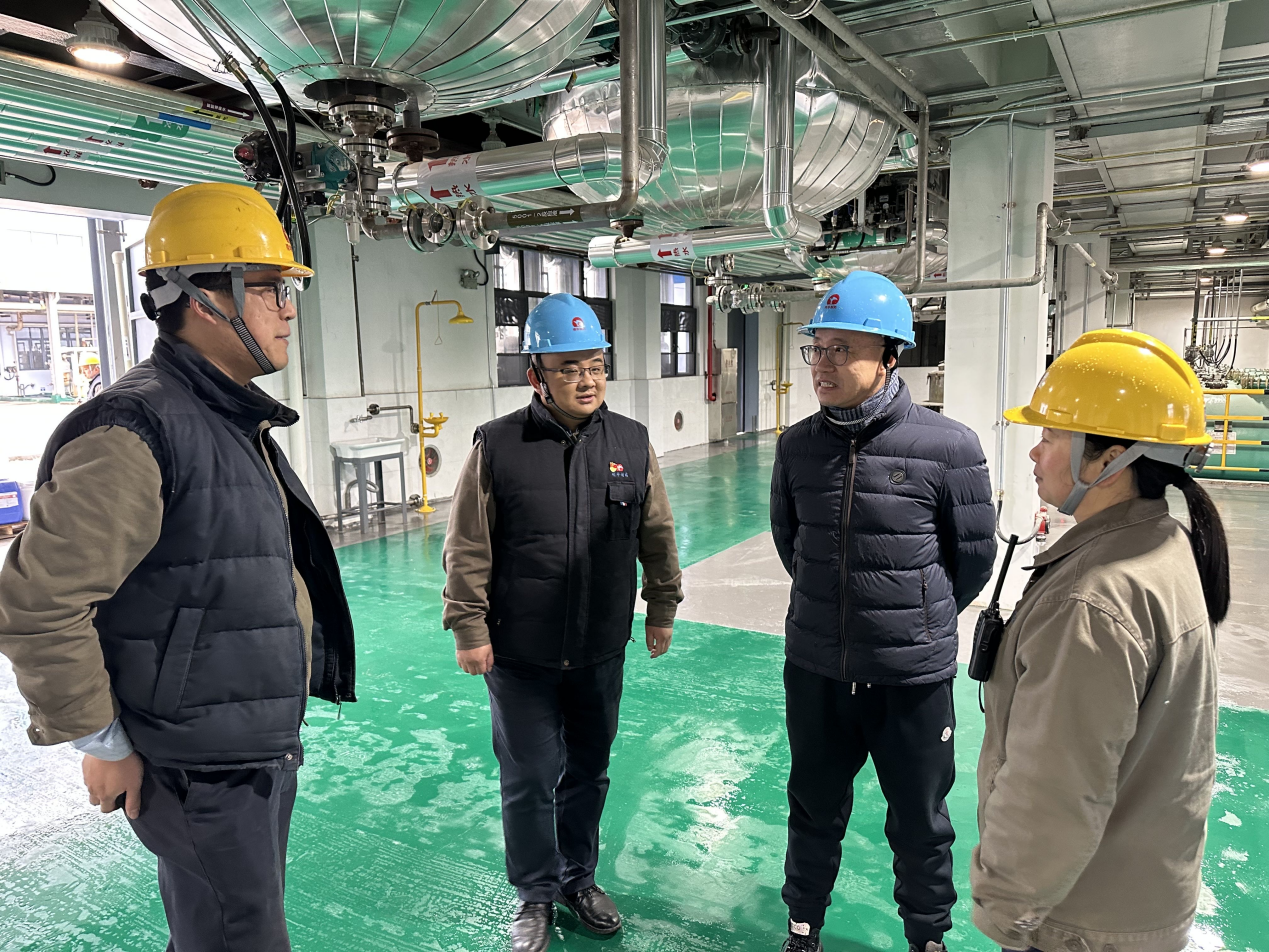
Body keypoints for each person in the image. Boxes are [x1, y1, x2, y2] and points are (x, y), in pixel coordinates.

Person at [0, 182, 356, 951]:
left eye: (287, 290)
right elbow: (37, 604)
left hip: (239, 742)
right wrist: (102, 741)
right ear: (201, 298)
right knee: (237, 935)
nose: (288, 310)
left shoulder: (223, 416)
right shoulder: (136, 430)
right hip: (196, 760)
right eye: (269, 289)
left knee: (215, 927)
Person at [442, 292, 684, 952]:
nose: (586, 380)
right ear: (536, 376)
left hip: (600, 647)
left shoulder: (631, 441)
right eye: (569, 368)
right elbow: (468, 544)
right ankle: (534, 894)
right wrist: (469, 626)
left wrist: (662, 605)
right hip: (521, 652)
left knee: (587, 772)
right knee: (529, 778)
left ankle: (579, 879)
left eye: (596, 366)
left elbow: (657, 532)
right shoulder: (498, 445)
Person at [971, 329, 1225, 952]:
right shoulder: (1160, 544)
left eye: (1051, 436)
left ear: (1108, 460)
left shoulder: (1092, 600)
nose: (1035, 452)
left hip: (1081, 921)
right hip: (1135, 899)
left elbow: (1054, 789)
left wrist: (1004, 910)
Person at [770, 270, 997, 952]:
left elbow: (972, 560)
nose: (823, 364)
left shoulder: (948, 447)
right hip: (817, 668)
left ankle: (927, 937)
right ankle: (802, 927)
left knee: (920, 821)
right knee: (812, 808)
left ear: (890, 356)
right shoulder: (797, 446)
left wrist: (914, 619)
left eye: (842, 349)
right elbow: (791, 543)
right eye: (817, 348)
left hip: (910, 678)